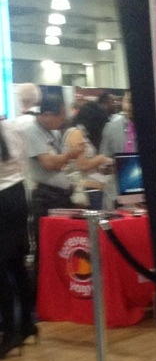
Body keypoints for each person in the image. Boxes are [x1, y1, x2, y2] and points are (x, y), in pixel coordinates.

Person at [25, 93, 85, 259]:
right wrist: (70, 154)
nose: (64, 121)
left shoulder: (53, 132)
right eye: (61, 117)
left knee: (63, 244)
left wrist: (64, 158)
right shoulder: (32, 131)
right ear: (48, 115)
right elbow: (49, 163)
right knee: (47, 248)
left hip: (61, 196)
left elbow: (59, 163)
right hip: (45, 198)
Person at [0, 117, 36, 358]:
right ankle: (27, 324)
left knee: (1, 270)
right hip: (18, 195)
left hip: (2, 200)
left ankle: (10, 332)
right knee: (17, 264)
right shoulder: (14, 127)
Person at [64, 101, 114, 208]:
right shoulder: (76, 133)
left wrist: (103, 168)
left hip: (93, 186)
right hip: (86, 189)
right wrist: (101, 159)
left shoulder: (83, 134)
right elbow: (82, 165)